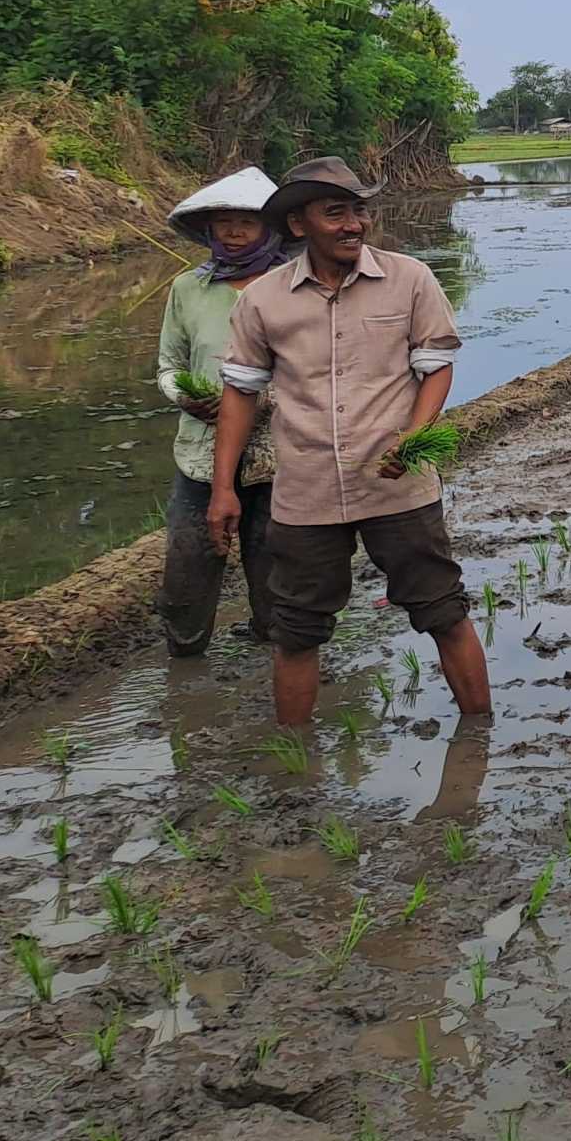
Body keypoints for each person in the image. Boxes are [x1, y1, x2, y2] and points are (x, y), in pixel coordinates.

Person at [210, 157, 491, 726]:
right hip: (305, 492)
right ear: (297, 225)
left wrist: (411, 439)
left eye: (359, 210)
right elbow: (240, 393)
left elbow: (435, 367)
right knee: (295, 629)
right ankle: (296, 759)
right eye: (334, 212)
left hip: (397, 488)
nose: (353, 224)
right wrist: (223, 489)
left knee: (443, 609)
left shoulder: (410, 279)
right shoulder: (262, 301)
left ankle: (480, 737)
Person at [155, 167, 284, 653]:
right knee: (188, 568)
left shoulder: (294, 285)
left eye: (246, 223)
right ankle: (185, 654)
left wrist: (261, 402)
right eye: (223, 223)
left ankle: (275, 650)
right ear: (208, 229)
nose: (233, 233)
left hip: (279, 457)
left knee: (276, 570)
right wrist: (182, 394)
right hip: (200, 455)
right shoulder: (188, 288)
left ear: (269, 228)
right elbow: (168, 364)